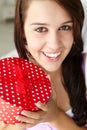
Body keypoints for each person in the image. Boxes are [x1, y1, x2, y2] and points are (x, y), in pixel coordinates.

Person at [0, 0, 87, 130]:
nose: (54, 44)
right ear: (22, 30)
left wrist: (55, 116)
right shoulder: (4, 80)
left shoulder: (84, 67)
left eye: (65, 27)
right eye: (41, 29)